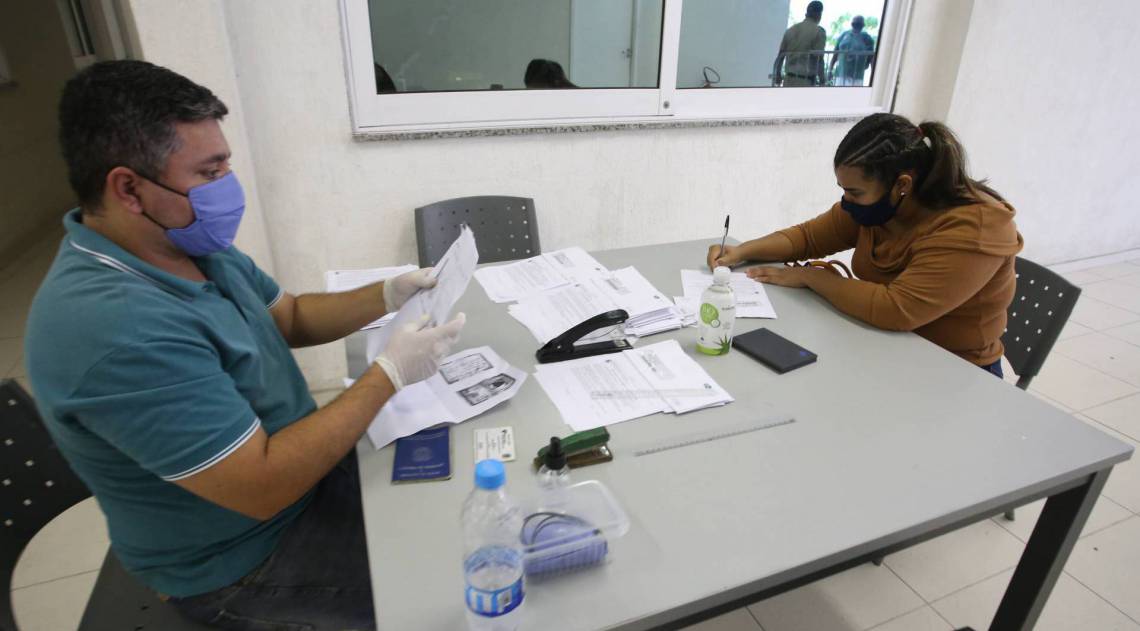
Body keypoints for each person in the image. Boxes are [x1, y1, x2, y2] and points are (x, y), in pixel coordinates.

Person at [25, 60, 466, 630]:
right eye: (210, 172)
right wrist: (388, 375)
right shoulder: (114, 328)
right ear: (129, 188)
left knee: (455, 505)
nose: (228, 188)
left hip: (299, 482)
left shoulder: (186, 244)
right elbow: (263, 486)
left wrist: (386, 292)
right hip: (246, 558)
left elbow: (292, 316)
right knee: (450, 592)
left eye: (226, 164)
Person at [707, 113, 1023, 377]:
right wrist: (741, 252)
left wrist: (811, 277)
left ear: (902, 185)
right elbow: (807, 238)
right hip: (884, 346)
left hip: (955, 371)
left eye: (855, 192)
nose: (847, 201)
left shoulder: (974, 227)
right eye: (844, 190)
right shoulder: (884, 207)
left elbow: (896, 309)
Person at [773, 1, 826, 87]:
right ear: (819, 14)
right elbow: (819, 59)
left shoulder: (791, 30)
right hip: (805, 82)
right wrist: (822, 80)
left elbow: (780, 56)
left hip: (788, 80)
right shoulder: (818, 32)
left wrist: (778, 75)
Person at [829, 15, 876, 86]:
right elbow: (835, 53)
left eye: (858, 24)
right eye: (855, 23)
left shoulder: (866, 38)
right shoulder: (844, 35)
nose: (856, 25)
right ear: (852, 24)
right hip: (840, 75)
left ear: (862, 25)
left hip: (857, 77)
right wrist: (830, 70)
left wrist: (874, 76)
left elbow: (871, 57)